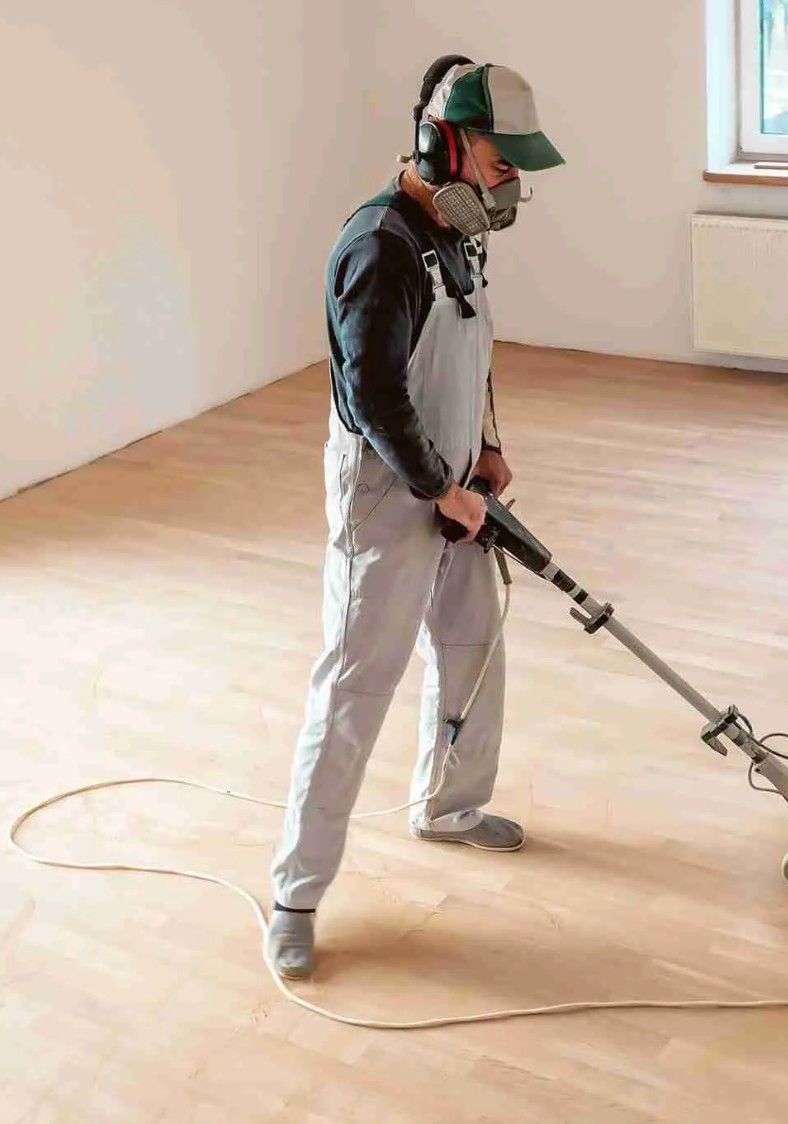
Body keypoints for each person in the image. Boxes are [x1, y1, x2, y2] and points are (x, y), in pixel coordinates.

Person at [266, 56, 564, 978]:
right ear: (446, 143)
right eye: (500, 158)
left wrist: (486, 443)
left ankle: (449, 807)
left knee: (473, 647)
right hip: (385, 493)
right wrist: (441, 488)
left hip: (452, 475)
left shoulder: (459, 234)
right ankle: (295, 892)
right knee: (357, 687)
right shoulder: (380, 247)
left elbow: (469, 347)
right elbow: (375, 395)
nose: (512, 176)